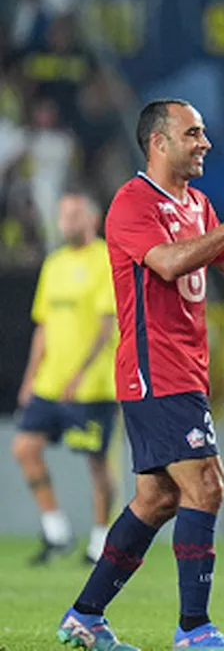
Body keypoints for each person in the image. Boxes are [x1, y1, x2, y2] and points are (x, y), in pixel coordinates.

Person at [56, 99, 224, 651]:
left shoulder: (197, 203)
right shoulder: (131, 203)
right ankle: (194, 629)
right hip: (154, 369)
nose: (205, 142)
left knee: (159, 499)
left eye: (205, 132)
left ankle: (85, 616)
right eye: (193, 133)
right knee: (206, 485)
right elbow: (166, 262)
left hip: (185, 369)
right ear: (159, 142)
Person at [14, 191, 118, 566]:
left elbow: (107, 327)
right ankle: (56, 531)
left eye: (75, 214)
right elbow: (42, 326)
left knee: (96, 461)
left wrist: (80, 374)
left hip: (92, 387)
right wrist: (30, 378)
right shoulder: (54, 263)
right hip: (50, 383)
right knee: (24, 448)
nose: (67, 222)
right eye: (63, 215)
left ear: (93, 218)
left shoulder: (106, 259)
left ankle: (101, 541)